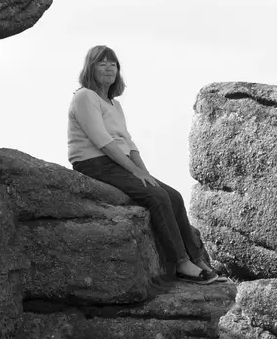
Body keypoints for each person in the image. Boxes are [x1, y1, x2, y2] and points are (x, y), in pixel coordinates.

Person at [68, 45, 223, 284]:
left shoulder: (113, 104)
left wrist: (145, 173)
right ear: (90, 68)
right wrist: (134, 171)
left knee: (172, 195)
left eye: (113, 63)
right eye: (102, 63)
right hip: (93, 163)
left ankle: (197, 259)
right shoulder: (84, 96)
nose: (109, 68)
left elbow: (127, 142)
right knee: (157, 197)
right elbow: (103, 141)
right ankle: (181, 264)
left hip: (117, 162)